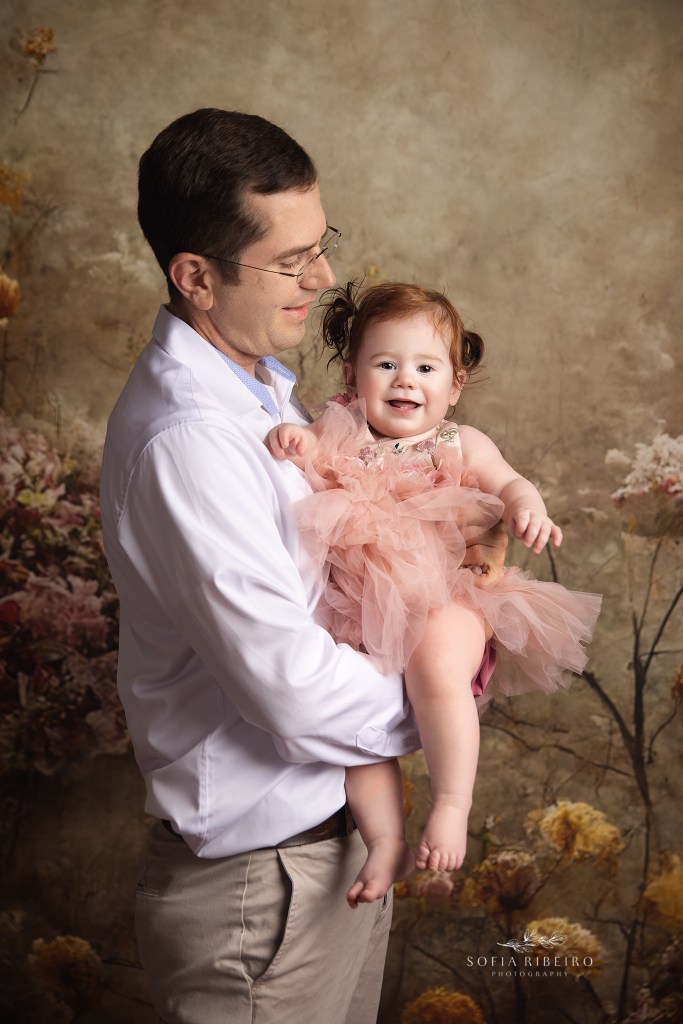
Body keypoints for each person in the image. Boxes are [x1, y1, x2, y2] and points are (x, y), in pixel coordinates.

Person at [99, 109, 507, 1024]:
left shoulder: (263, 391)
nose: (322, 280)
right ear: (195, 277)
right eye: (291, 261)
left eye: (321, 246)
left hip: (333, 851)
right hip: (260, 888)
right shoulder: (189, 441)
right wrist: (453, 687)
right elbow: (289, 686)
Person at [267, 280, 602, 909]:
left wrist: (527, 509)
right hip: (364, 608)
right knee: (349, 722)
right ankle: (385, 837)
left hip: (455, 594)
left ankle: (451, 803)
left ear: (453, 386)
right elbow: (310, 451)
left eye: (425, 367)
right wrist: (297, 442)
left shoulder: (459, 443)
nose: (405, 380)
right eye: (385, 364)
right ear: (353, 374)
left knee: (435, 667)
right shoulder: (340, 429)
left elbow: (511, 483)